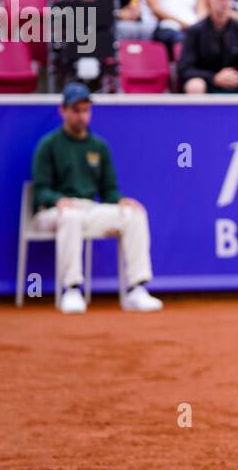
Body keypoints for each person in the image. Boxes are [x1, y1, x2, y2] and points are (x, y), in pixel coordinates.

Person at [30, 82, 164, 315]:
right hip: (51, 213)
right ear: (62, 111)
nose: (82, 116)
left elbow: (109, 190)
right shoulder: (48, 145)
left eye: (86, 110)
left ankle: (136, 289)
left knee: (134, 215)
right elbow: (40, 189)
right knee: (70, 217)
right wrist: (57, 199)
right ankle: (72, 289)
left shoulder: (99, 146)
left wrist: (121, 200)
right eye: (76, 110)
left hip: (89, 210)